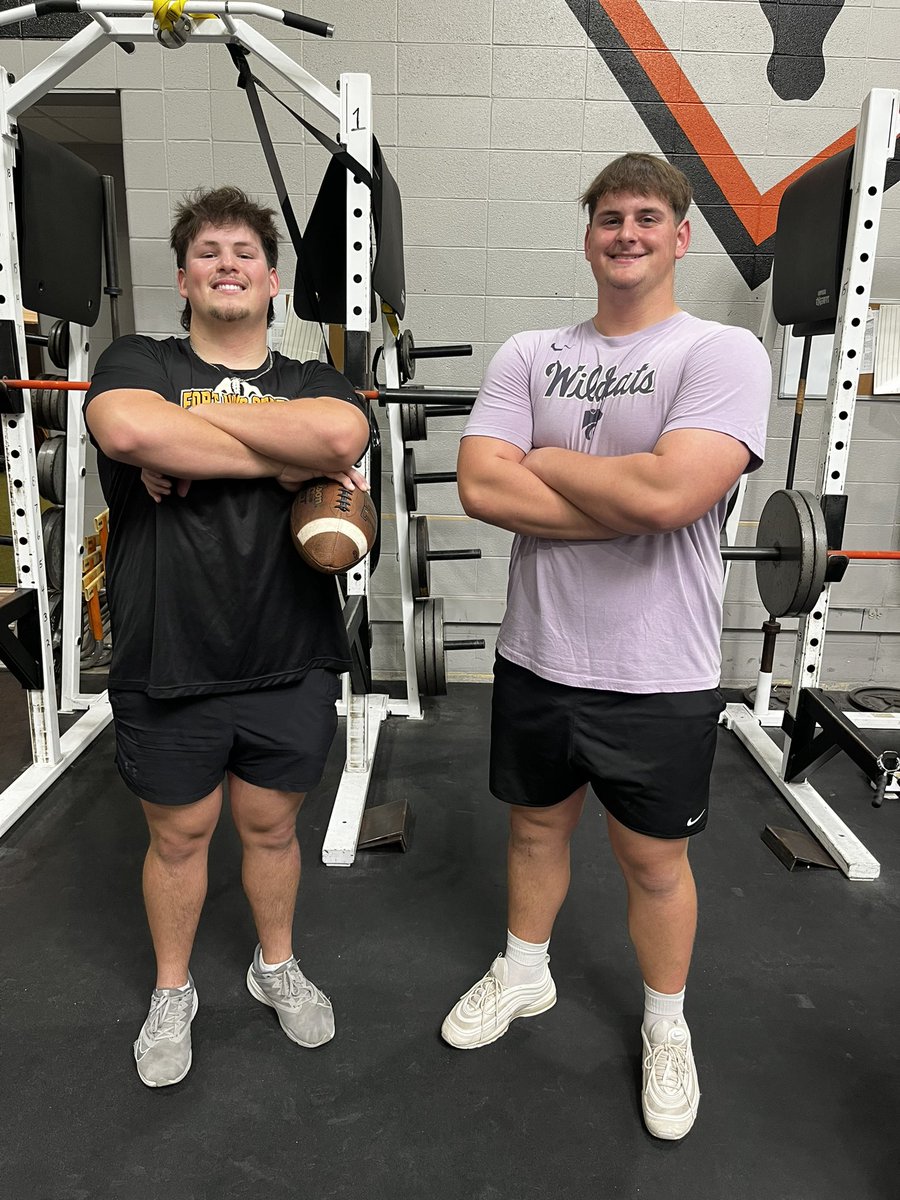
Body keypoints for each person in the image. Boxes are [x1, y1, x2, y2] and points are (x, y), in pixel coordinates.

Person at [441, 153, 771, 1140]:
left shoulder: (721, 353)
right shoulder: (529, 353)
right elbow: (480, 489)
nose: (625, 232)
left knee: (653, 862)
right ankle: (525, 970)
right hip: (538, 653)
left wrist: (547, 460)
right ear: (588, 236)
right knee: (534, 831)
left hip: (658, 668)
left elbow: (677, 498)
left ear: (678, 236)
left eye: (646, 218)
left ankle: (667, 1025)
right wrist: (628, 497)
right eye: (609, 218)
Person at [84, 186, 370, 1088]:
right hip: (169, 653)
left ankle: (273, 963)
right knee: (179, 836)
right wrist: (281, 457)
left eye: (244, 251)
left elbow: (340, 432)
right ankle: (174, 990)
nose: (227, 263)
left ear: (273, 279)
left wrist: (189, 434)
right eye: (208, 252)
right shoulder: (137, 359)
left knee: (271, 827)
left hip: (287, 654)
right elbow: (125, 423)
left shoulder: (308, 379)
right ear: (182, 278)